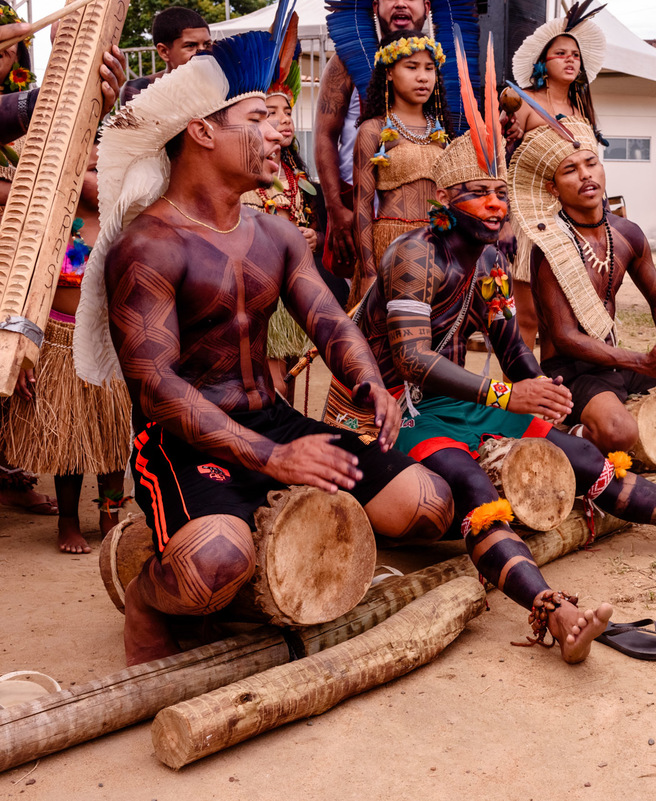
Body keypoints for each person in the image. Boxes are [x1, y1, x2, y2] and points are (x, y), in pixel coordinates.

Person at [329, 55, 656, 662]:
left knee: (578, 450)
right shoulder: (413, 256)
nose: (496, 206)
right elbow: (415, 361)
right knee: (474, 483)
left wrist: (544, 401)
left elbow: (511, 351)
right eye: (479, 194)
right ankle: (553, 613)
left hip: (446, 402)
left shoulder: (489, 260)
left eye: (501, 193)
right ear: (445, 202)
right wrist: (509, 396)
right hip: (380, 414)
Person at [75, 16, 455, 666]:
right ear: (201, 130)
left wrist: (368, 378)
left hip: (274, 420)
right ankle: (145, 592)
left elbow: (330, 321)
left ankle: (275, 542)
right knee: (214, 564)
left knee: (429, 506)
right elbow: (158, 389)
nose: (281, 130)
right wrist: (271, 461)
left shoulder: (273, 234)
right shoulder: (148, 246)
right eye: (259, 117)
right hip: (186, 443)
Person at [512, 114, 656, 456]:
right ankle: (566, 431)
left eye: (591, 163)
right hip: (574, 371)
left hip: (623, 363)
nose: (586, 174)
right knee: (619, 433)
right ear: (552, 188)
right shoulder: (549, 246)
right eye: (570, 170)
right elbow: (565, 337)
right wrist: (642, 362)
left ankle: (634, 414)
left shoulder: (626, 233)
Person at [0, 5, 129, 554]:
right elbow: (27, 280)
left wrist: (103, 99)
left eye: (9, 49)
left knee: (110, 441)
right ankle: (67, 523)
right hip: (58, 334)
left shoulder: (122, 218)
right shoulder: (51, 217)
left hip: (106, 341)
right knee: (69, 443)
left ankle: (112, 517)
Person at [507, 0, 607, 349]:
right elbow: (498, 160)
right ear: (542, 63)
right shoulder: (522, 102)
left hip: (575, 221)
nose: (570, 60)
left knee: (561, 315)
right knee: (528, 316)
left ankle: (560, 394)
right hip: (531, 217)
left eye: (575, 55)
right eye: (561, 53)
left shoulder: (580, 109)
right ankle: (518, 399)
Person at [318, 0, 431, 290]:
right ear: (377, 5)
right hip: (356, 206)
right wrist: (334, 208)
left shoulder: (437, 66)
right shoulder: (346, 60)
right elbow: (324, 135)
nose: (401, 4)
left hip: (425, 215)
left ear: (427, 6)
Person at [242, 47, 324, 402]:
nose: (285, 119)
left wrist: (313, 237)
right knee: (271, 379)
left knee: (290, 374)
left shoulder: (294, 174)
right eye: (272, 113)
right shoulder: (246, 175)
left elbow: (311, 225)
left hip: (293, 285)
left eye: (288, 111)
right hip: (261, 287)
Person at [349, 30, 449, 306]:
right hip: (391, 245)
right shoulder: (374, 129)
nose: (423, 77)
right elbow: (361, 205)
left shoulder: (442, 133)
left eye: (430, 68)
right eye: (412, 67)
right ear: (389, 72)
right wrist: (369, 270)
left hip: (439, 245)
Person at [120, 7, 211, 105]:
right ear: (164, 52)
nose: (203, 52)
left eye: (207, 44)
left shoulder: (221, 83)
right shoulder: (141, 91)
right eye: (190, 46)